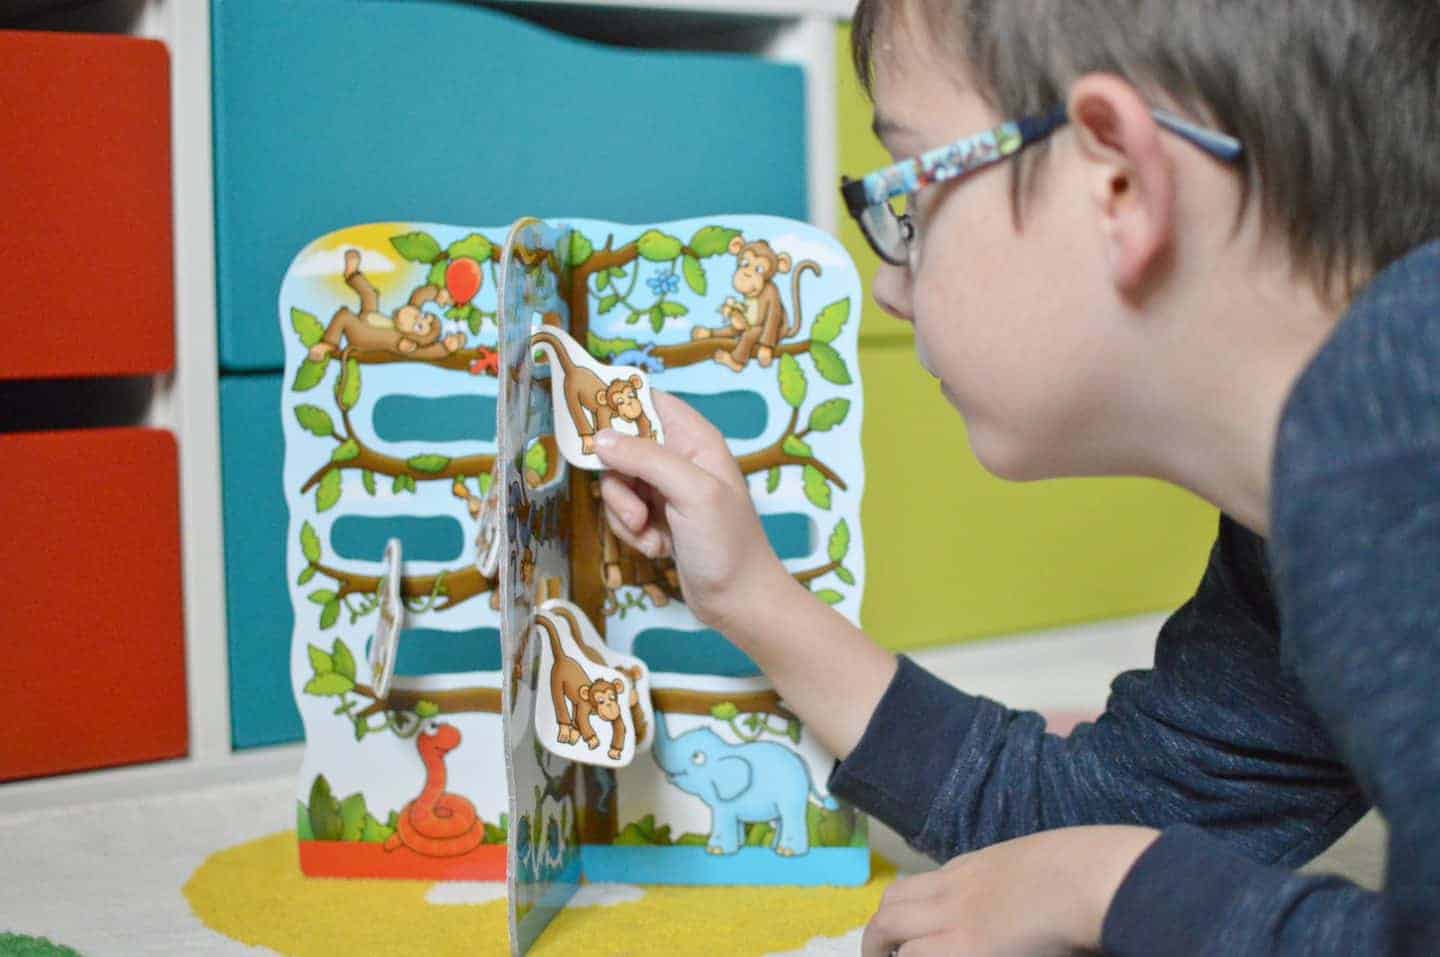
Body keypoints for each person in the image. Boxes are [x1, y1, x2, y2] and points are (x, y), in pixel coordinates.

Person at [594, 0, 1440, 952]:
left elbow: (1111, 859)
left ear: (1117, 182)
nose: (888, 281)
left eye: (910, 199)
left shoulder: (1398, 433)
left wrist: (1113, 887)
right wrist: (747, 593)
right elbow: (1086, 820)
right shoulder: (1298, 534)